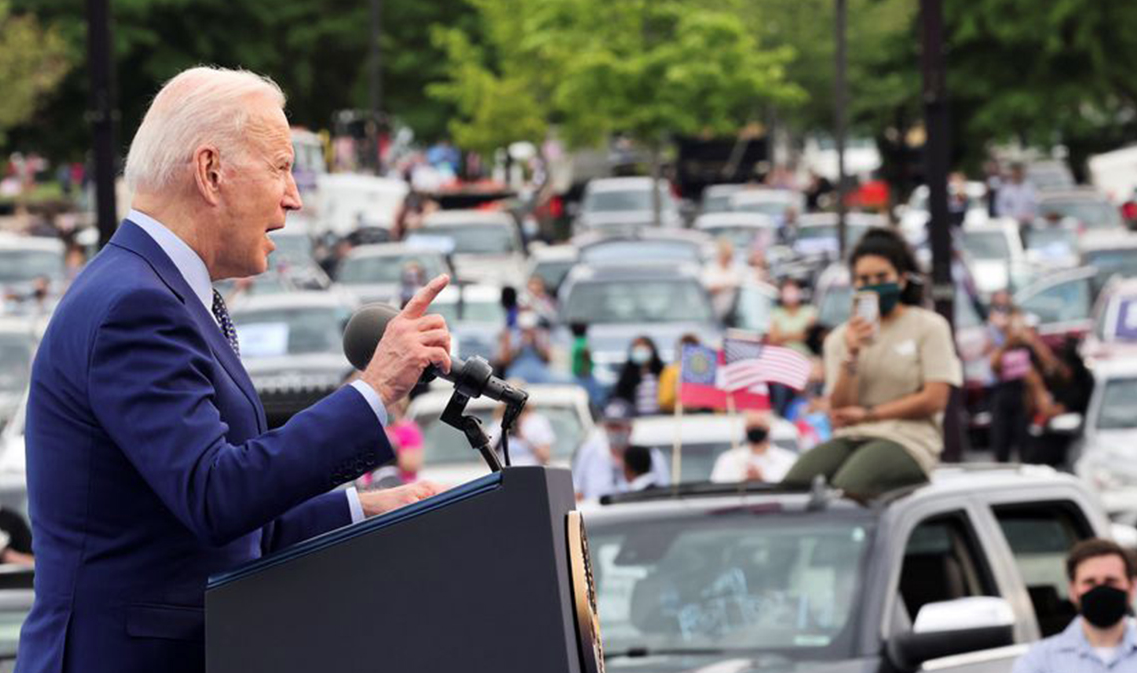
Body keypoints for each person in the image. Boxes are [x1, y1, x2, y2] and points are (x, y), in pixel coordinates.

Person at [17, 67, 452, 673]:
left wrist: (363, 509)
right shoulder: (134, 305)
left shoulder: (158, 291)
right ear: (211, 171)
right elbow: (215, 495)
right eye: (281, 167)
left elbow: (226, 522)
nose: (295, 196)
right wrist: (376, 390)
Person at [782, 228, 962, 497]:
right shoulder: (840, 338)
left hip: (907, 439)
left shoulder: (928, 326)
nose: (873, 284)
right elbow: (841, 407)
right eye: (864, 278)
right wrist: (851, 355)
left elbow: (935, 399)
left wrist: (870, 414)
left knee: (847, 488)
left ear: (901, 280)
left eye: (882, 277)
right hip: (852, 437)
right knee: (793, 487)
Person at [1012, 538, 1137, 673]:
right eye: (1090, 582)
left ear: (1132, 587)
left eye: (1110, 581)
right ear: (1072, 590)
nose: (1101, 590)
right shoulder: (1039, 661)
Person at [573, 399, 669, 500]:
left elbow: (663, 491)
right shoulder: (589, 452)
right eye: (609, 426)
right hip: (598, 513)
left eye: (617, 426)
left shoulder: (650, 455)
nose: (613, 431)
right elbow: (577, 492)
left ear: (630, 428)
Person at [769, 277, 819, 416]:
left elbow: (809, 336)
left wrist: (785, 336)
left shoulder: (809, 311)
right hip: (784, 362)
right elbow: (774, 339)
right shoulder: (776, 312)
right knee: (780, 391)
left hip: (806, 360)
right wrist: (797, 335)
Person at [710, 412, 797, 483]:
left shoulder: (789, 461)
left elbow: (791, 492)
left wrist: (763, 481)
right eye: (752, 425)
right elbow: (717, 491)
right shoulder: (728, 460)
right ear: (745, 428)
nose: (755, 429)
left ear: (769, 427)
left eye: (759, 425)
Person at [611, 336, 664, 416]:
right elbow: (621, 397)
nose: (640, 350)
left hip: (660, 417)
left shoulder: (662, 372)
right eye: (637, 347)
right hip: (637, 418)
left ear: (651, 349)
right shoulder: (627, 375)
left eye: (643, 346)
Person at [657, 333, 700, 414]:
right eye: (686, 346)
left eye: (693, 346)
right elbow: (664, 400)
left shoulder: (707, 372)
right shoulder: (671, 371)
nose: (689, 350)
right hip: (676, 415)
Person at [703, 237, 744, 319]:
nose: (728, 259)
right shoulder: (710, 269)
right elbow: (709, 288)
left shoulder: (736, 269)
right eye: (726, 256)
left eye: (730, 256)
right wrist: (728, 284)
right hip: (713, 314)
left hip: (732, 314)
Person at [996, 163, 1038, 242]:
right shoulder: (1005, 189)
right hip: (1011, 225)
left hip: (1028, 224)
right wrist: (1013, 217)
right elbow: (1001, 208)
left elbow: (1034, 205)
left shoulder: (1029, 187)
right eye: (1016, 172)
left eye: (1020, 173)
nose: (1018, 175)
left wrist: (1029, 216)